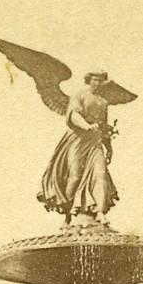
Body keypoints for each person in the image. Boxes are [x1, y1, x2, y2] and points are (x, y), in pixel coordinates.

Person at [38, 71, 119, 224]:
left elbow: (103, 127)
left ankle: (100, 212)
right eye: (95, 80)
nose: (98, 83)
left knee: (100, 175)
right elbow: (73, 115)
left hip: (95, 142)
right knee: (74, 177)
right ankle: (68, 213)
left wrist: (109, 147)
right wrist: (86, 126)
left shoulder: (103, 102)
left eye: (101, 81)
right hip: (77, 140)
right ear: (89, 80)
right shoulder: (79, 96)